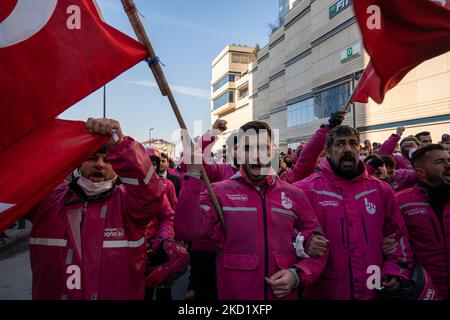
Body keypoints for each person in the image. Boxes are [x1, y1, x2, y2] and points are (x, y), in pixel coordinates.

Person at [175, 121, 327, 300]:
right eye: (248, 148)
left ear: (272, 151)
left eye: (263, 147)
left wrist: (297, 276)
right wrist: (193, 176)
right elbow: (187, 230)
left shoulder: (294, 194)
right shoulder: (218, 191)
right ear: (238, 152)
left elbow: (320, 248)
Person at [27, 118, 172, 300]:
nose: (100, 165)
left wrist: (120, 147)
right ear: (79, 162)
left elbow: (152, 195)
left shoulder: (129, 205)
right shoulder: (48, 199)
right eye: (92, 157)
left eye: (108, 160)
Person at [294, 125, 414, 300]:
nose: (348, 149)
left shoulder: (380, 190)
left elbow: (398, 236)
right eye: (340, 144)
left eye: (353, 144)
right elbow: (285, 234)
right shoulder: (305, 190)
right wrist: (303, 241)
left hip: (372, 288)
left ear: (359, 148)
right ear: (328, 151)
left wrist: (395, 271)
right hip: (325, 291)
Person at [396, 144, 450, 299]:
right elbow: (396, 249)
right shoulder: (402, 202)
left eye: (448, 160)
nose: (448, 165)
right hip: (426, 289)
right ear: (420, 172)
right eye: (440, 162)